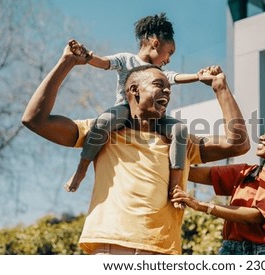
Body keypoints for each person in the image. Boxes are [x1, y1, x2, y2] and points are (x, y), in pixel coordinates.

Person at [21, 43, 250, 254]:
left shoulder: (179, 142)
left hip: (165, 252)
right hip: (112, 247)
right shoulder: (105, 133)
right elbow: (35, 120)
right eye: (159, 85)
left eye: (169, 88)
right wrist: (66, 62)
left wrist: (221, 88)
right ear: (133, 90)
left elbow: (238, 144)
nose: (167, 92)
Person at [65, 13, 200, 208]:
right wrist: (88, 57)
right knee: (103, 122)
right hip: (126, 112)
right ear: (155, 43)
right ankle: (81, 170)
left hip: (152, 117)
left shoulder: (159, 72)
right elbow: (104, 63)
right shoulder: (126, 60)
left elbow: (174, 76)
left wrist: (198, 75)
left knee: (180, 130)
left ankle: (175, 187)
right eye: (169, 52)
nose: (169, 59)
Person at [171, 118, 265, 255]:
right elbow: (193, 173)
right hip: (228, 251)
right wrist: (166, 157)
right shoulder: (246, 172)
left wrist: (202, 206)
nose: (261, 137)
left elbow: (256, 216)